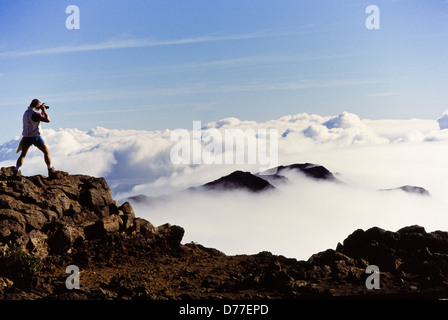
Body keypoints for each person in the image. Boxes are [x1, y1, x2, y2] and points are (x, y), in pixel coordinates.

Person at [14, 99, 56, 177]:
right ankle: (50, 170)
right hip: (35, 136)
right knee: (46, 151)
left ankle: (16, 170)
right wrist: (44, 111)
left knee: (22, 155)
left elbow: (39, 117)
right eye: (39, 105)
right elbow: (47, 120)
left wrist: (41, 111)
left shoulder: (26, 112)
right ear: (36, 105)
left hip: (26, 137)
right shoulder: (35, 114)